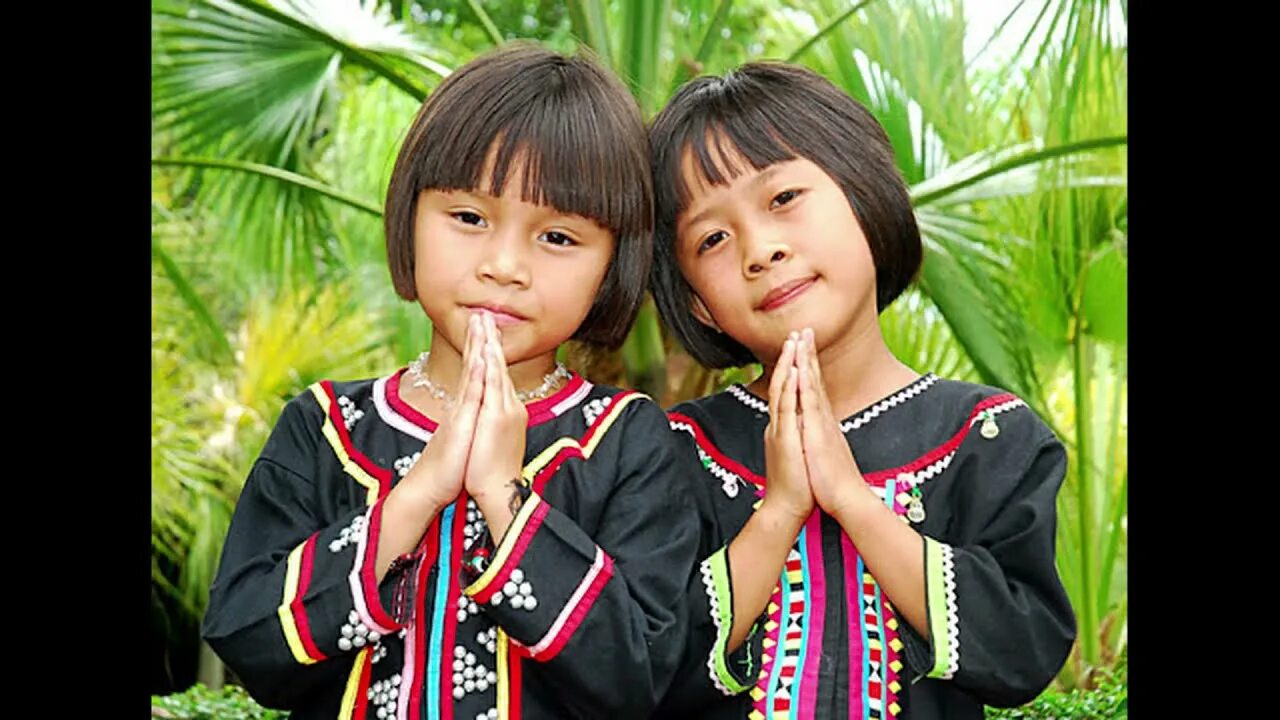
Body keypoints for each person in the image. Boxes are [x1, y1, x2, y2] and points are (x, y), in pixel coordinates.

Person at [203, 43, 699, 720]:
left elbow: (635, 676)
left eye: (556, 237)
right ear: (409, 217)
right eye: (469, 218)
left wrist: (504, 498)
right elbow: (247, 637)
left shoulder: (630, 440)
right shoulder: (323, 426)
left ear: (615, 267)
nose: (503, 265)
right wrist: (417, 497)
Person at [648, 61, 1076, 719]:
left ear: (864, 194)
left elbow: (1024, 650)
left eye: (782, 199)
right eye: (712, 238)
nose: (759, 250)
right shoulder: (673, 451)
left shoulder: (990, 436)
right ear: (697, 304)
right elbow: (643, 667)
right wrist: (779, 511)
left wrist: (854, 501)